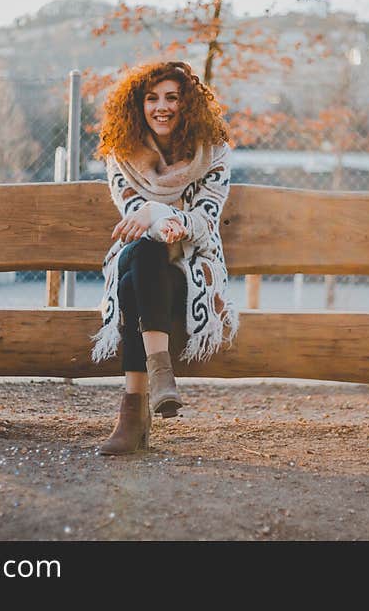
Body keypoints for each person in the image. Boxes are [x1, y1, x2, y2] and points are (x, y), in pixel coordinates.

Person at [89, 60, 240, 455]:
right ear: (137, 106)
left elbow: (205, 221)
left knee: (133, 283)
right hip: (138, 256)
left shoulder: (214, 154)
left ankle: (132, 414)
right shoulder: (121, 155)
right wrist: (161, 219)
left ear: (186, 104)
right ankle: (161, 376)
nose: (162, 107)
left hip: (188, 269)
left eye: (172, 98)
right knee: (145, 252)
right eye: (152, 99)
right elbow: (133, 217)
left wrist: (159, 213)